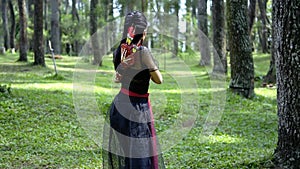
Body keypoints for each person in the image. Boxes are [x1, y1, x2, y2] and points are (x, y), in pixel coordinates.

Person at [102, 11, 165, 169]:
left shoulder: (120, 51)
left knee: (126, 156)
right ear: (143, 32)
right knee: (139, 159)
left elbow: (120, 76)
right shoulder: (143, 52)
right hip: (137, 110)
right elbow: (159, 80)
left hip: (119, 107)